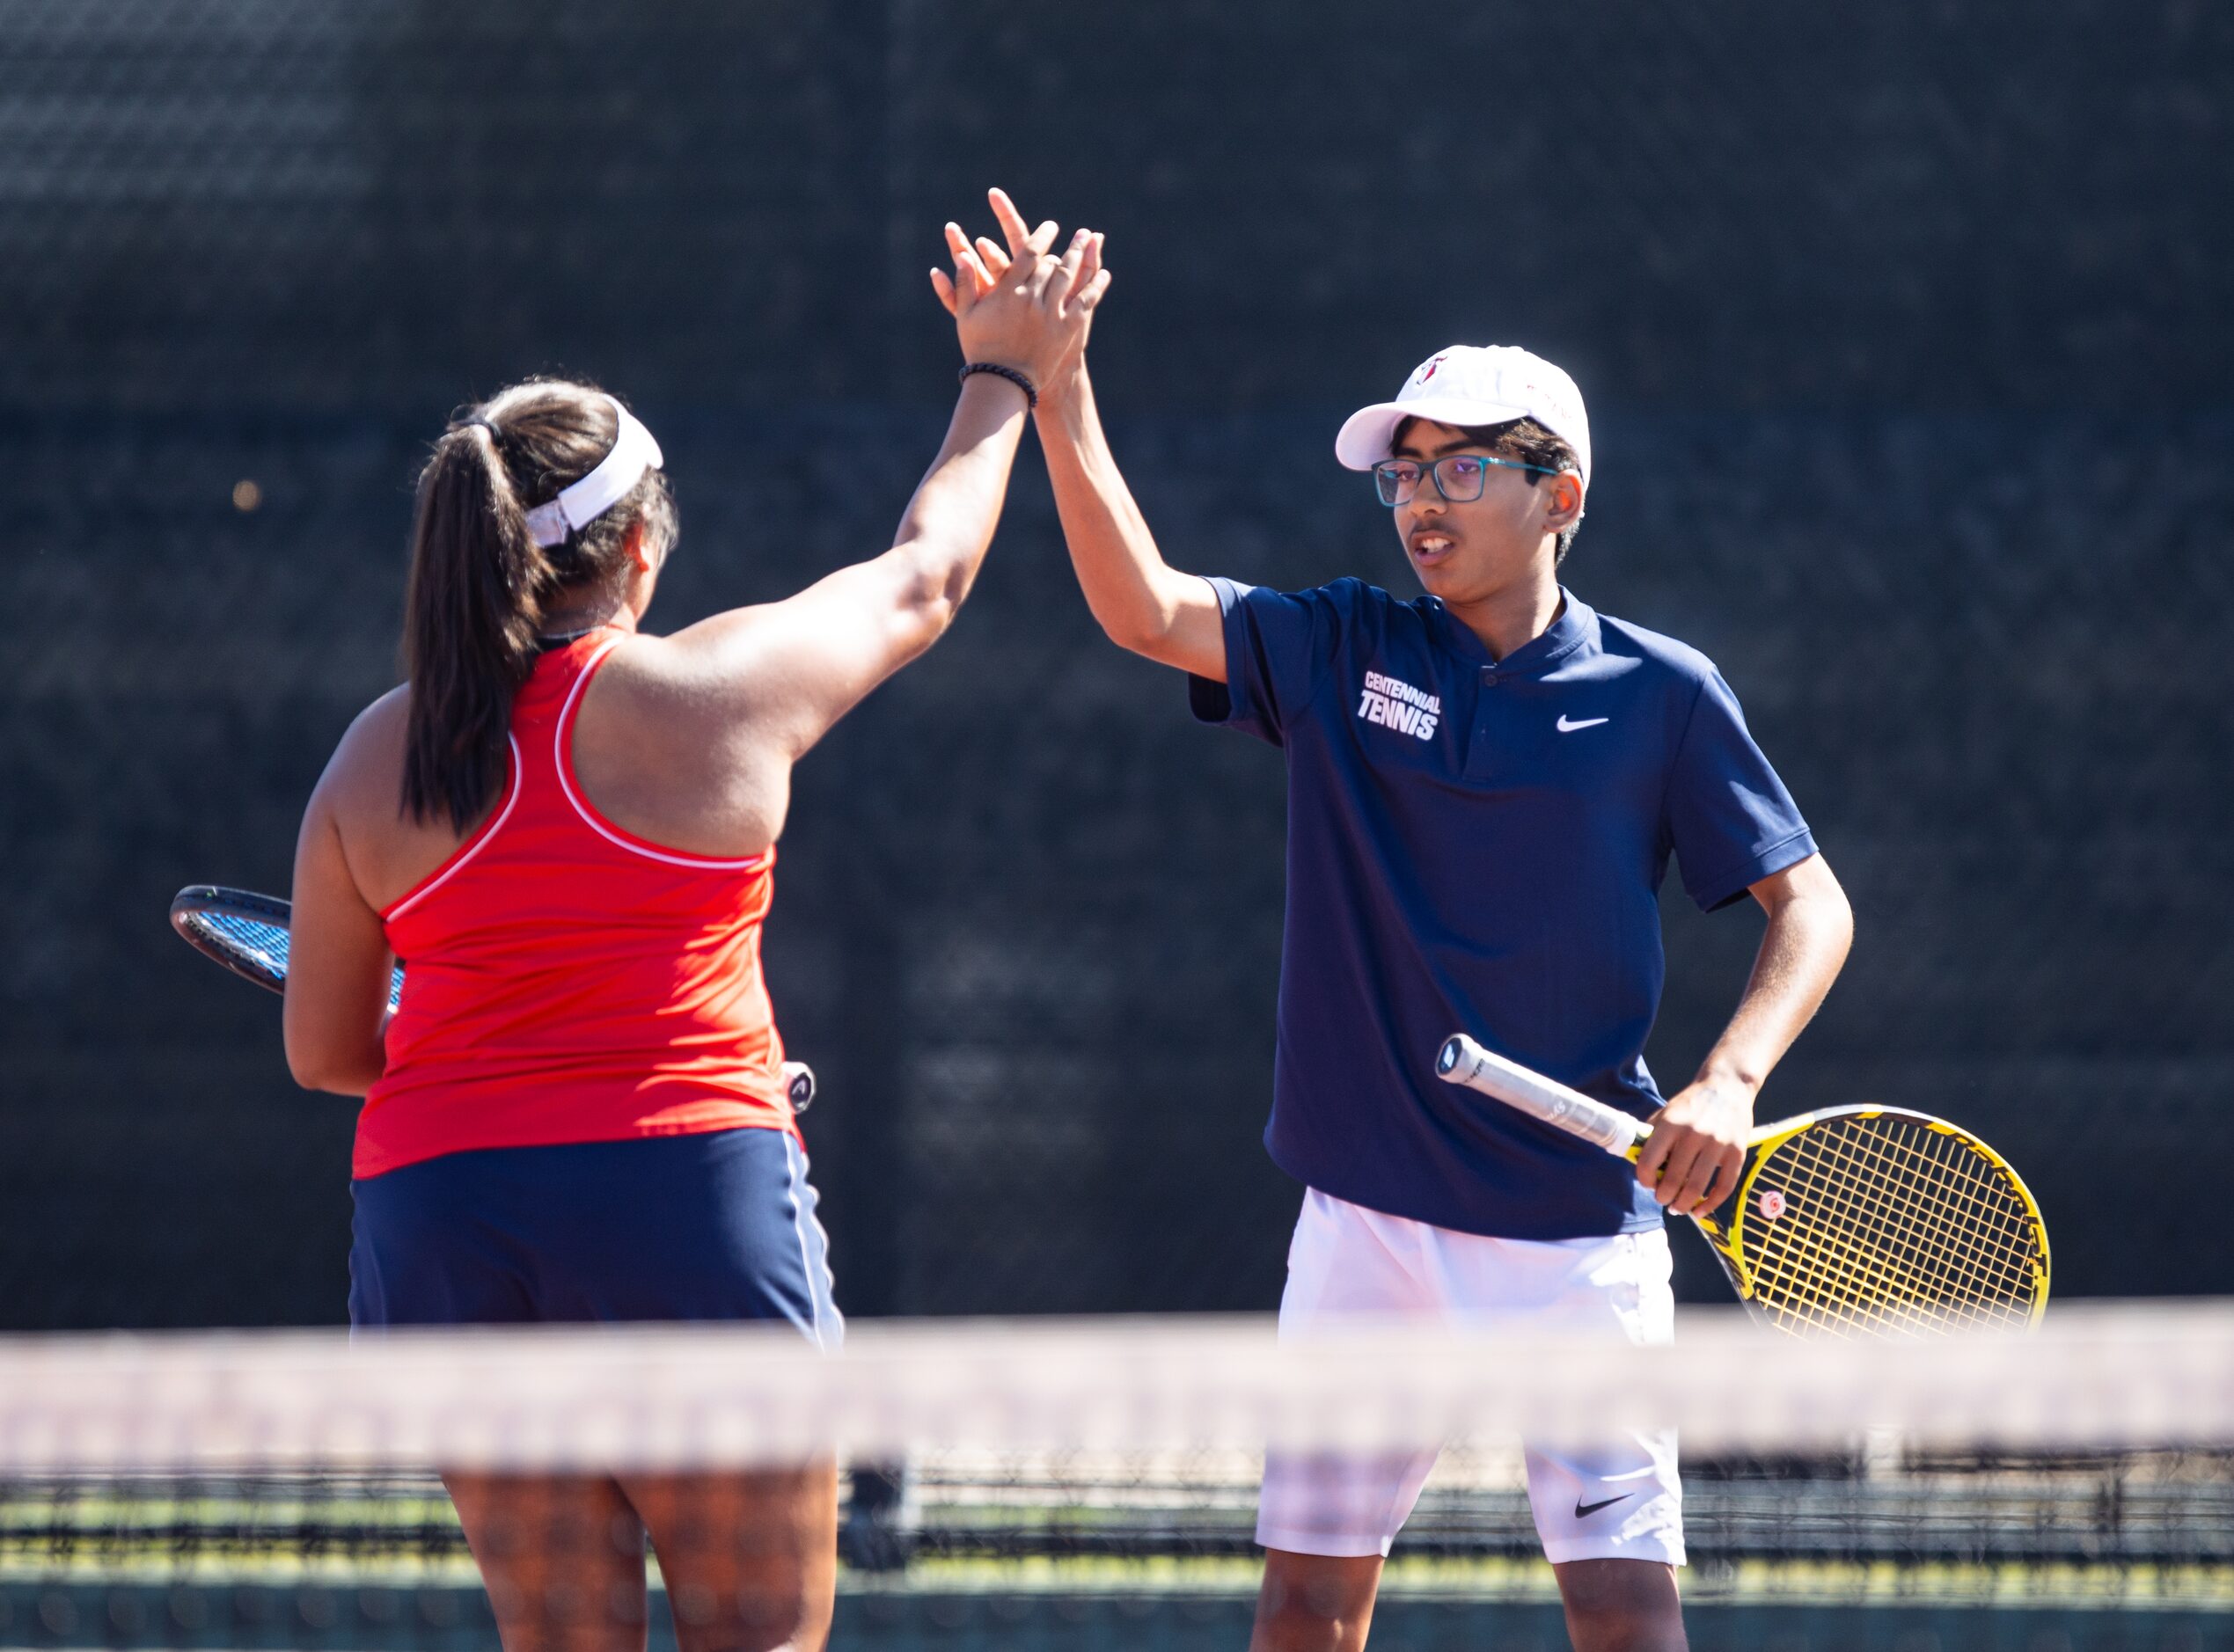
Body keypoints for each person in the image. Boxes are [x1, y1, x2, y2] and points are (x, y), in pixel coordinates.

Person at [948, 192, 1854, 1651]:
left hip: (1577, 1238)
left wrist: (1729, 1080)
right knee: (1307, 1607)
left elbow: (1808, 903)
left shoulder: (1665, 694)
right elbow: (1141, 607)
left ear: (1563, 495)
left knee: (1628, 1616)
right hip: (1364, 1224)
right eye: (1405, 474)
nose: (1423, 500)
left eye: (1468, 468)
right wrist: (1061, 391)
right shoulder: (1341, 643)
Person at [282, 203, 1108, 1652]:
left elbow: (332, 1052)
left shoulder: (370, 761)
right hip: (681, 1204)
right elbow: (927, 575)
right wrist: (1008, 373)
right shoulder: (709, 698)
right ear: (641, 550)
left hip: (444, 1222)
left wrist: (493, 1036)